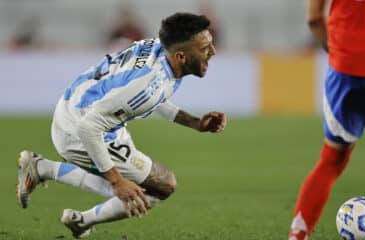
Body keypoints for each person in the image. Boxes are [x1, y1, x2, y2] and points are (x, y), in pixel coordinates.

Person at [17, 12, 226, 239]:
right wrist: (117, 182)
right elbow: (89, 127)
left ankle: (43, 170)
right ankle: (76, 214)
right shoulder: (146, 85)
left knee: (137, 185)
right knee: (156, 187)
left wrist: (195, 123)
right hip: (78, 128)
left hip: (82, 105)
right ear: (181, 57)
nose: (212, 52)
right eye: (204, 48)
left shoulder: (160, 51)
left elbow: (152, 97)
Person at [288, 0, 365, 239]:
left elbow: (313, 18)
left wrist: (340, 52)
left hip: (345, 64)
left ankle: (297, 234)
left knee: (332, 158)